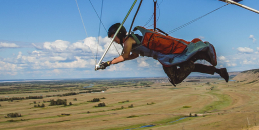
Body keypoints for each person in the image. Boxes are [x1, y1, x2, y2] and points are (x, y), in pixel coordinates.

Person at [98, 23, 229, 86]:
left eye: (113, 37)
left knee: (177, 78)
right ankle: (218, 71)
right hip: (165, 57)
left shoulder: (128, 41)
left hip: (166, 57)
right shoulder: (131, 41)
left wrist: (108, 63)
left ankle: (194, 64)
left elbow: (125, 56)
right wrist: (117, 60)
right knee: (184, 68)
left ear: (119, 34)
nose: (113, 40)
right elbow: (134, 55)